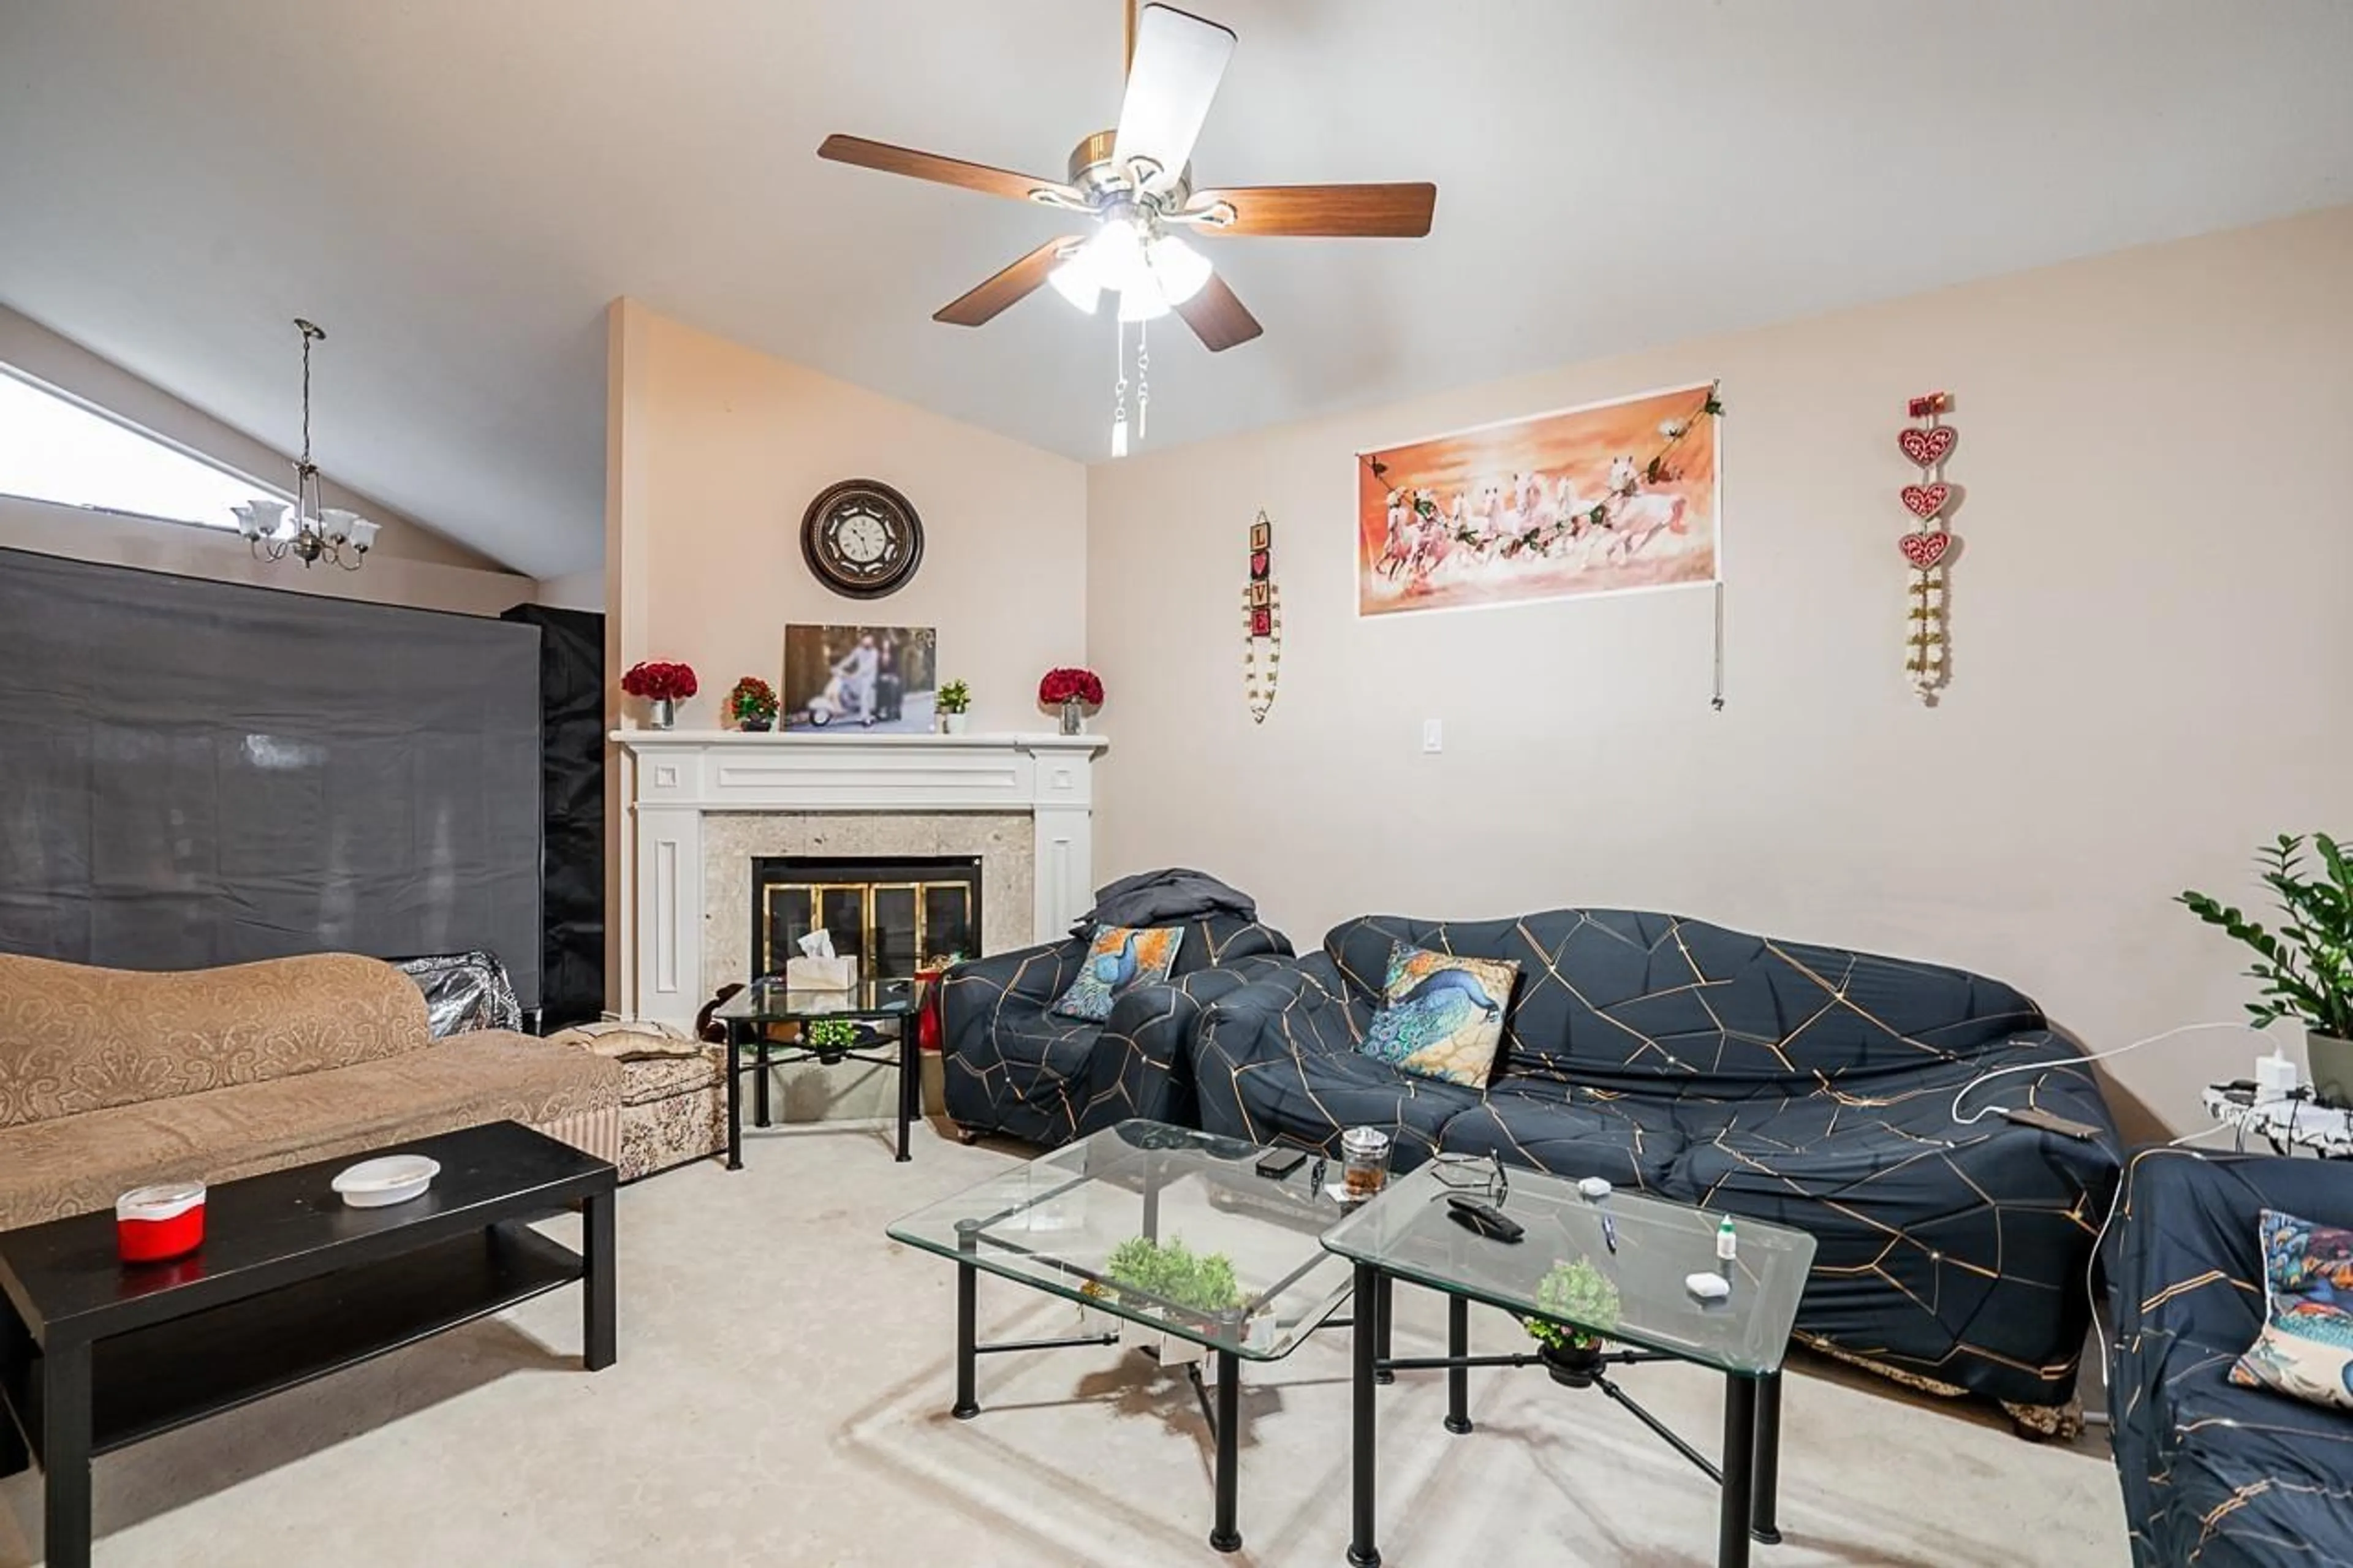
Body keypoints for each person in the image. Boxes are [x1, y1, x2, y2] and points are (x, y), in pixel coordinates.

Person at [831, 634, 879, 725]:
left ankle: (866, 718)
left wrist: (856, 674)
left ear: (872, 644)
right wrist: (839, 667)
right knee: (844, 683)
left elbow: (868, 666)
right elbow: (849, 659)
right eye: (865, 643)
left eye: (868, 644)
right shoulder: (859, 650)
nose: (866, 645)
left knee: (864, 696)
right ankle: (846, 705)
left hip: (869, 677)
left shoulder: (874, 653)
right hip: (859, 676)